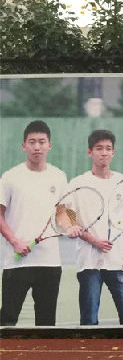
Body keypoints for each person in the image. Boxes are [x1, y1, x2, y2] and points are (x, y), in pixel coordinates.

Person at [68, 129, 123, 327]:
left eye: (108, 148)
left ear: (113, 153)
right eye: (99, 148)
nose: (104, 152)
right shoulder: (78, 183)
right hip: (89, 263)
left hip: (119, 261)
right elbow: (66, 217)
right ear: (90, 152)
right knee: (89, 321)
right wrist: (93, 240)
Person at [0, 121, 67, 326]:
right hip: (16, 262)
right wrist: (15, 242)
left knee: (47, 324)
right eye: (32, 142)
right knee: (7, 321)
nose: (37, 147)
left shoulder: (59, 176)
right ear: (24, 146)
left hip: (50, 263)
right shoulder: (10, 177)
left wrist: (71, 226)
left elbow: (64, 215)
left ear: (49, 145)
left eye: (41, 142)